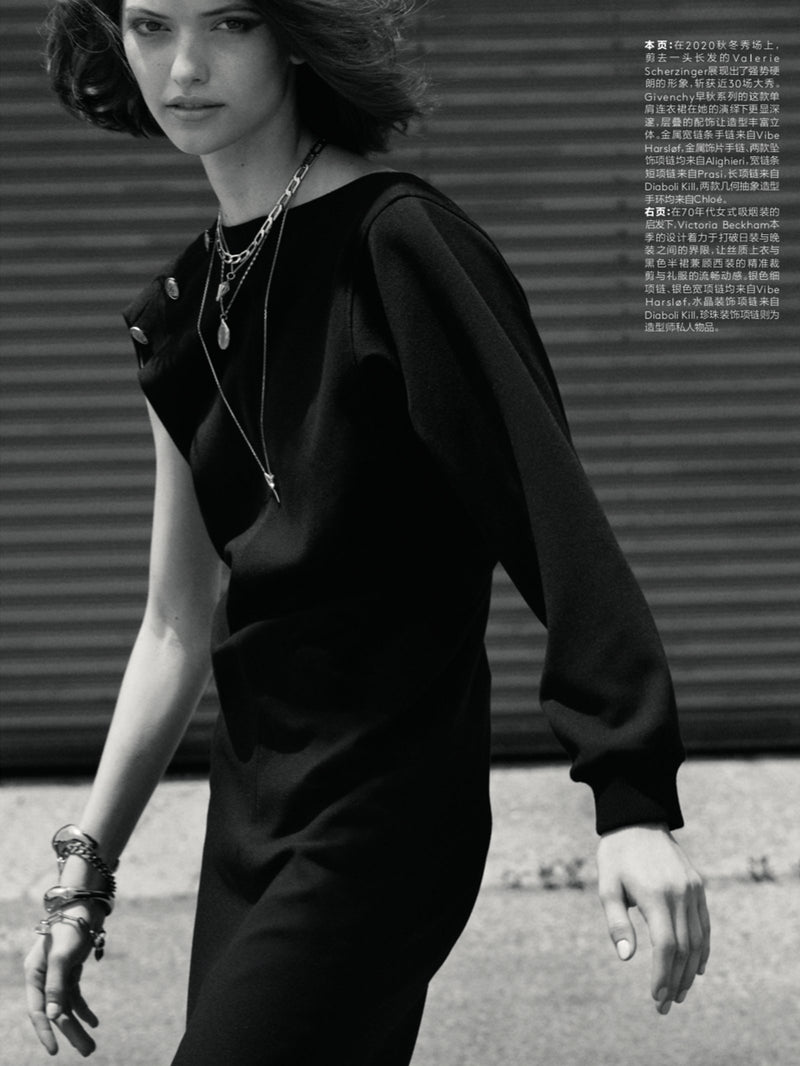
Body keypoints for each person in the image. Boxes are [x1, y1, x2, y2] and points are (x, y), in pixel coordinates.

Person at [25, 0, 711, 1061]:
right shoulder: (181, 310)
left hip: (386, 812)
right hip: (250, 820)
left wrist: (632, 799)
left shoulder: (402, 247)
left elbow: (554, 519)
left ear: (294, 33)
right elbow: (174, 624)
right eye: (152, 26)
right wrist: (86, 867)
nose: (185, 66)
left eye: (229, 23)